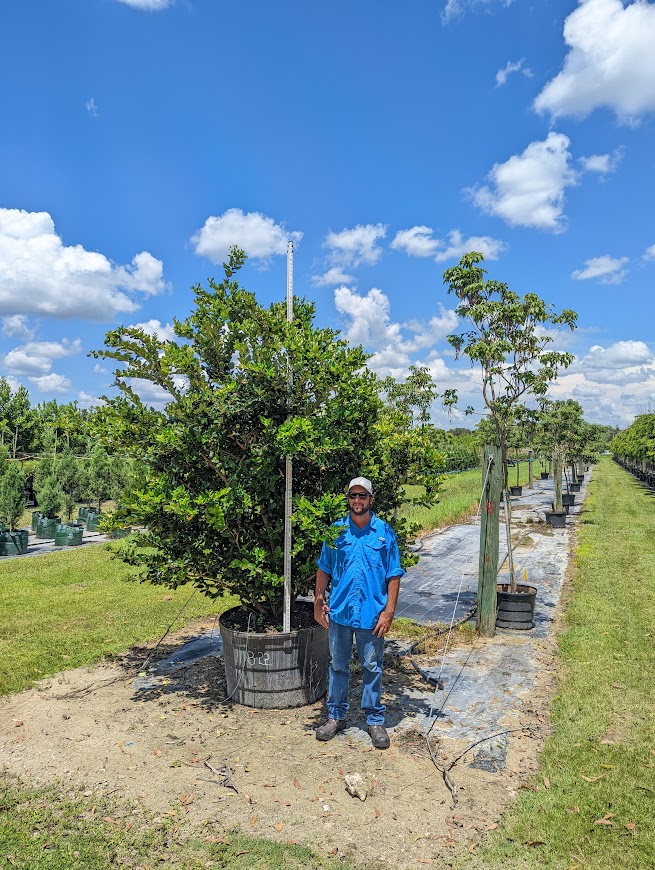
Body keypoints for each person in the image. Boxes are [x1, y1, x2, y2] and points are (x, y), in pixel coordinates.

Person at [313, 476, 404, 750]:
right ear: (348, 499)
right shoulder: (336, 531)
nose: (357, 501)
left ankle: (375, 720)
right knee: (338, 666)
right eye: (353, 495)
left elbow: (394, 574)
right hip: (340, 612)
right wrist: (318, 601)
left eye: (362, 496)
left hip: (371, 615)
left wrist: (388, 612)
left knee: (372, 667)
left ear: (371, 500)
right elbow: (324, 567)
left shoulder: (384, 533)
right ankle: (335, 717)